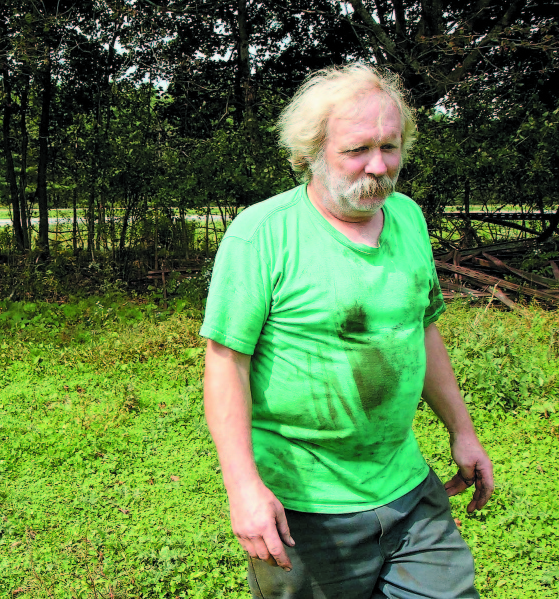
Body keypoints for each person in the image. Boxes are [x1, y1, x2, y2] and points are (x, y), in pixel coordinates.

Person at [200, 62, 494, 599]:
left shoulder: (408, 218)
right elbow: (226, 363)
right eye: (357, 150)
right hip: (304, 508)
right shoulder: (261, 236)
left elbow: (422, 332)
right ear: (312, 153)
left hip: (408, 489)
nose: (378, 167)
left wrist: (463, 431)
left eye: (390, 146)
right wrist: (243, 488)